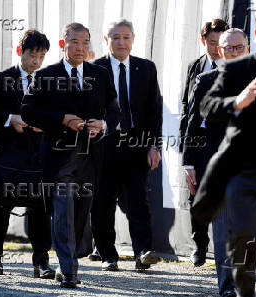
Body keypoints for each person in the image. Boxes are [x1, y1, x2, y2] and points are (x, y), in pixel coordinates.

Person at [192, 4, 256, 296]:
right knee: (241, 238)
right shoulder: (236, 71)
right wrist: (236, 102)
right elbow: (206, 108)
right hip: (241, 172)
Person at [21, 22, 119, 288]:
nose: (80, 47)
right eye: (75, 42)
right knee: (63, 211)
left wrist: (104, 124)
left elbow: (114, 109)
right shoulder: (45, 76)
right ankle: (69, 270)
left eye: (85, 42)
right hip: (58, 157)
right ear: (64, 44)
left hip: (90, 156)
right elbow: (28, 112)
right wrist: (63, 119)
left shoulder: (100, 74)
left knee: (80, 215)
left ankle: (70, 258)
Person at [91, 19, 162, 272]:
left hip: (137, 144)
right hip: (104, 146)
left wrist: (154, 145)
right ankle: (108, 255)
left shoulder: (146, 68)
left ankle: (143, 252)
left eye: (126, 37)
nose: (121, 42)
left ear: (133, 39)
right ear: (106, 40)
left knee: (138, 200)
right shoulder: (94, 69)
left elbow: (155, 111)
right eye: (115, 37)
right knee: (103, 202)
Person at [183, 28, 250, 297]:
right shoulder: (205, 80)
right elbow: (192, 124)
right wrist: (189, 163)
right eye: (227, 48)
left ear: (247, 48)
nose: (233, 52)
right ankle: (228, 287)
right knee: (223, 230)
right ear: (219, 51)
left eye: (238, 47)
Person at [0, 29, 54, 279]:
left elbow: (56, 114)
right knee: (2, 207)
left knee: (40, 209)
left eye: (42, 56)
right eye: (32, 55)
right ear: (20, 52)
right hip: (7, 154)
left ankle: (42, 262)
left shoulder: (48, 81)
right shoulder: (3, 77)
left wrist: (43, 123)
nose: (36, 61)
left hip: (36, 156)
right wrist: (10, 119)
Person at [179, 18, 229, 267]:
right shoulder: (195, 67)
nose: (217, 47)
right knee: (196, 195)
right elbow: (186, 106)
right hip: (198, 142)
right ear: (204, 41)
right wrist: (185, 150)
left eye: (221, 42)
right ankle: (200, 245)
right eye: (212, 42)